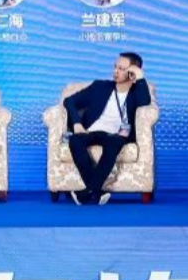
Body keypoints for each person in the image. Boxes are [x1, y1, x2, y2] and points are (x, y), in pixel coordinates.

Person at [62, 52, 152, 205]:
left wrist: (140, 78)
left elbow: (144, 102)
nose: (115, 71)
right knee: (75, 141)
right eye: (115, 67)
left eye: (121, 69)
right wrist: (77, 123)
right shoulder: (100, 87)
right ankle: (95, 192)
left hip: (117, 135)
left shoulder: (137, 92)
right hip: (90, 131)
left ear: (132, 72)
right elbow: (69, 101)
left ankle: (87, 193)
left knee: (113, 143)